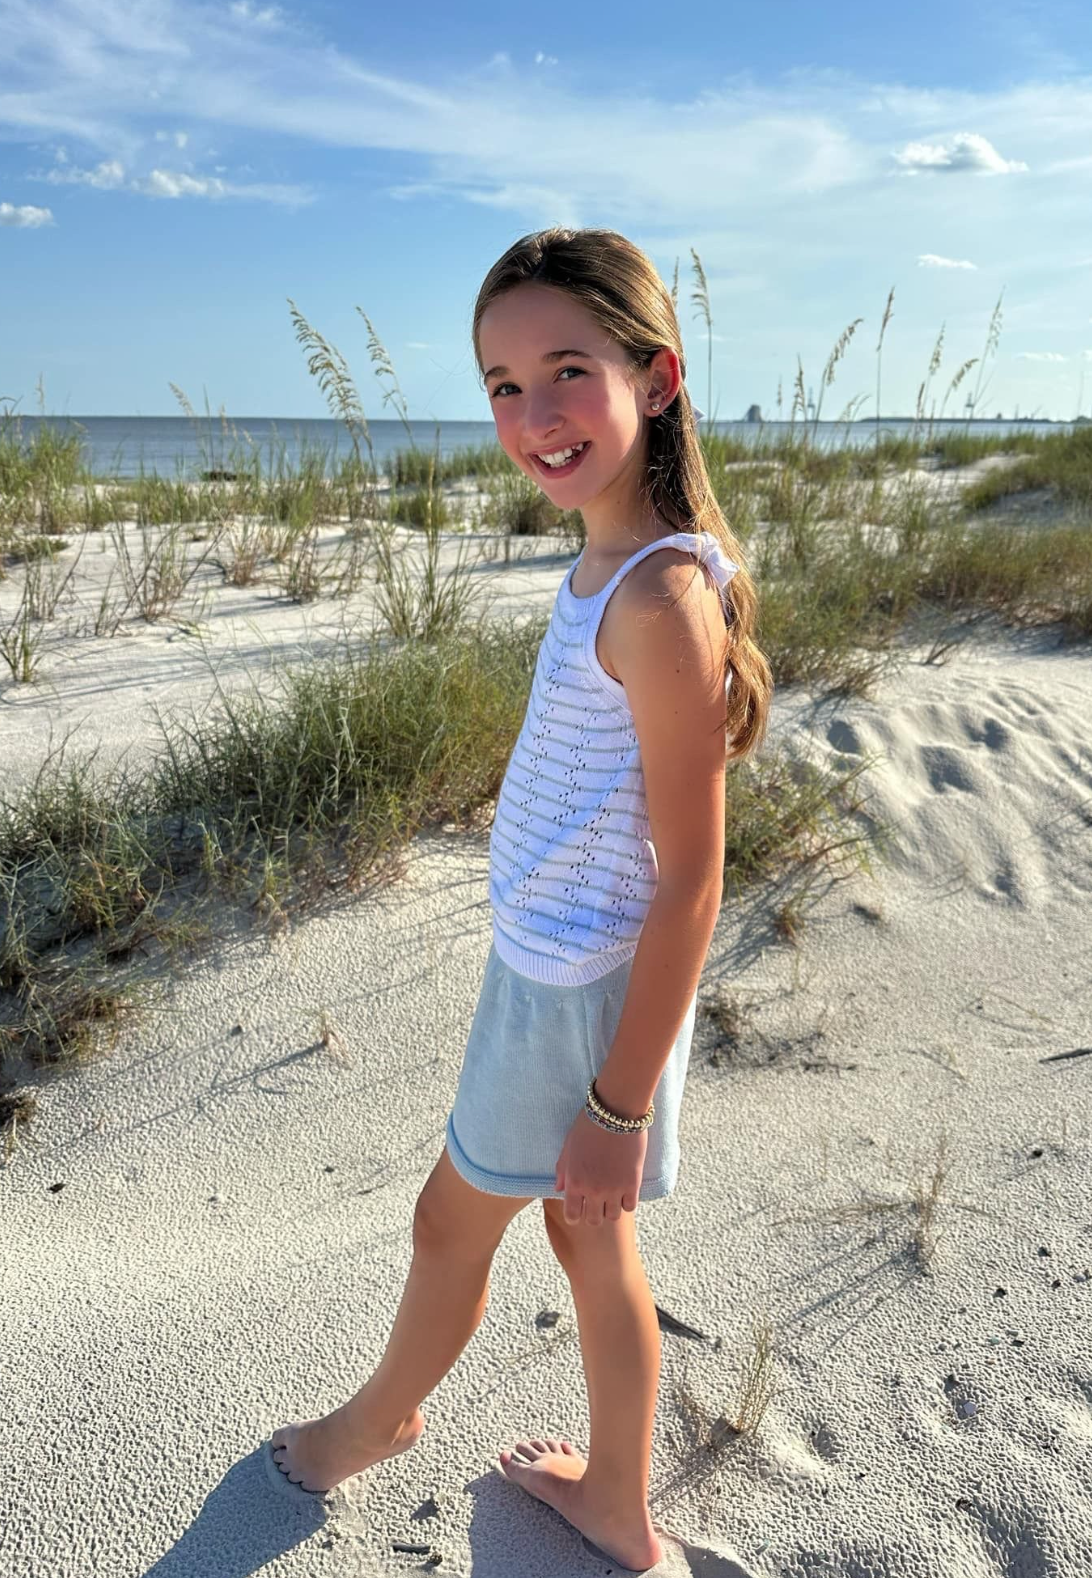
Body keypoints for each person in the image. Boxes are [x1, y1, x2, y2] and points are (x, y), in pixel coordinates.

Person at [268, 226, 773, 1573]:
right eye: (502, 384)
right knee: (584, 1236)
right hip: (555, 976)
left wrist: (615, 1104)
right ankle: (615, 1498)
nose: (533, 413)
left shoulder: (661, 598)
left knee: (454, 1222)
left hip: (575, 1000)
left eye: (566, 371)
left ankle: (372, 1424)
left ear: (655, 378)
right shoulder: (610, 564)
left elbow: (694, 877)